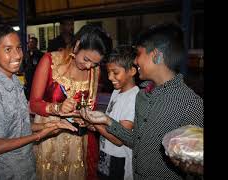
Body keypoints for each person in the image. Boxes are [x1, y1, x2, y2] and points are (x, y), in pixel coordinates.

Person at [80, 23, 203, 180]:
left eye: (138, 54)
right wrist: (107, 120)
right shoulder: (143, 96)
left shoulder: (190, 103)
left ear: (156, 55)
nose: (136, 61)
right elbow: (135, 140)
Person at [0, 24, 77, 180]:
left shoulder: (14, 81)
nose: (17, 55)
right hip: (9, 172)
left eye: (19, 48)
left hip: (25, 165)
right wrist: (39, 136)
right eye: (8, 50)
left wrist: (48, 126)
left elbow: (17, 127)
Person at [29, 24, 112, 180]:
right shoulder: (51, 61)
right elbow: (34, 103)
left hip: (77, 142)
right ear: (78, 45)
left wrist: (86, 118)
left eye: (94, 63)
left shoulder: (95, 72)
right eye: (86, 59)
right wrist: (57, 107)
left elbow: (90, 106)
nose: (88, 66)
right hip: (50, 136)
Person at [95, 45, 139, 180]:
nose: (109, 77)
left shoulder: (134, 97)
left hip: (119, 159)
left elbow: (119, 139)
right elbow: (110, 121)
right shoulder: (116, 91)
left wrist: (95, 123)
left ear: (132, 71)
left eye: (115, 72)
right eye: (108, 72)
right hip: (106, 152)